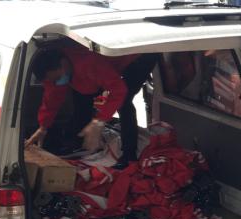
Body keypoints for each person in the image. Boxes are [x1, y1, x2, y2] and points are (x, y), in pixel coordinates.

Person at [25, 47, 158, 168]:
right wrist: (43, 127)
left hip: (137, 57)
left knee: (124, 102)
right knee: (81, 97)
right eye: (53, 81)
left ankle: (129, 155)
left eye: (58, 78)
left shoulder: (88, 63)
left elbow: (118, 90)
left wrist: (99, 121)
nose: (56, 82)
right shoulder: (55, 74)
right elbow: (52, 97)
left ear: (63, 64)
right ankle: (77, 143)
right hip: (101, 66)